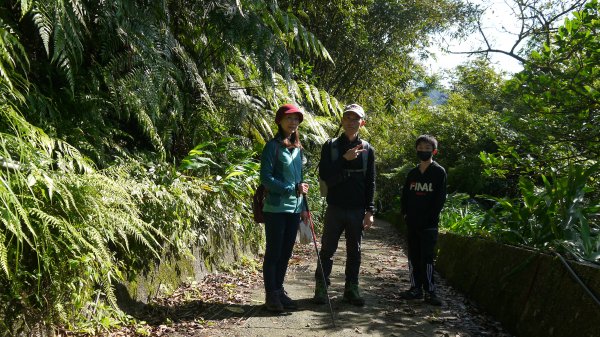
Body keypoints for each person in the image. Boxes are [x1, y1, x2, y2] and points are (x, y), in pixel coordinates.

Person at [313, 103, 375, 307]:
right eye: (347, 117)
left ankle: (351, 288)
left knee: (354, 251)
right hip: (335, 207)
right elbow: (324, 173)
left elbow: (370, 181)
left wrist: (369, 211)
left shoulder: (367, 149)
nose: (351, 122)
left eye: (355, 118)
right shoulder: (331, 146)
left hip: (357, 209)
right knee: (327, 249)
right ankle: (321, 287)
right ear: (341, 120)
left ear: (362, 123)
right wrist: (344, 159)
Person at [260, 103, 310, 313]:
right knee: (274, 253)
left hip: (294, 209)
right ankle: (271, 295)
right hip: (275, 209)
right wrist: (290, 187)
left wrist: (305, 206)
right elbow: (266, 178)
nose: (293, 122)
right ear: (280, 120)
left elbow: (300, 180)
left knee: (286, 252)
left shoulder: (297, 147)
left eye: (296, 119)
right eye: (289, 118)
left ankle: (279, 291)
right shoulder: (272, 146)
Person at [399, 134, 447, 306]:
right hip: (412, 223)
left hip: (428, 225)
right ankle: (415, 288)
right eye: (420, 148)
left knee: (426, 258)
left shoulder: (438, 172)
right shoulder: (412, 173)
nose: (423, 151)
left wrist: (429, 218)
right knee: (413, 256)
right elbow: (405, 196)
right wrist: (405, 214)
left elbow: (439, 199)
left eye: (427, 148)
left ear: (434, 151)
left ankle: (430, 292)